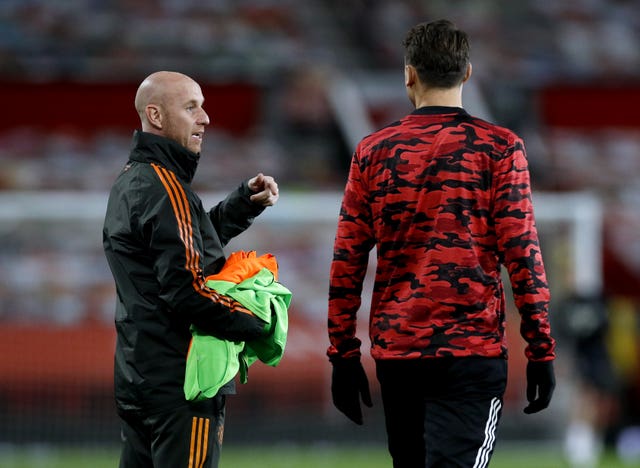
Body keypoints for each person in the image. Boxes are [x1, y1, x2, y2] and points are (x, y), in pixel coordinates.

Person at [327, 20, 556, 467]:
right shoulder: (500, 148)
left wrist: (343, 354)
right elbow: (523, 255)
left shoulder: (373, 151)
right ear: (467, 73)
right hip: (470, 352)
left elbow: (347, 260)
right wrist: (540, 349)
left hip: (399, 353)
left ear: (409, 74)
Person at [103, 70, 279, 468]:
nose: (205, 118)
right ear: (156, 115)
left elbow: (181, 250)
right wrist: (257, 321)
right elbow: (187, 290)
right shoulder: (166, 188)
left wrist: (241, 206)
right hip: (184, 382)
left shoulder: (133, 181)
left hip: (139, 376)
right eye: (191, 107)